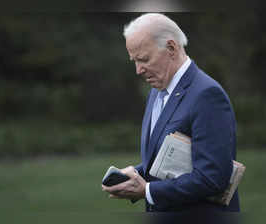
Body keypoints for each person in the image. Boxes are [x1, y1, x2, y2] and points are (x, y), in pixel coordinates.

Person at [102, 13, 239, 214]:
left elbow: (212, 178)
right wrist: (137, 174)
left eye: (144, 59)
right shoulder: (156, 92)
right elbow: (170, 160)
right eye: (134, 61)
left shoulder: (207, 94)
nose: (138, 70)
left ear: (171, 48)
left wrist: (147, 190)